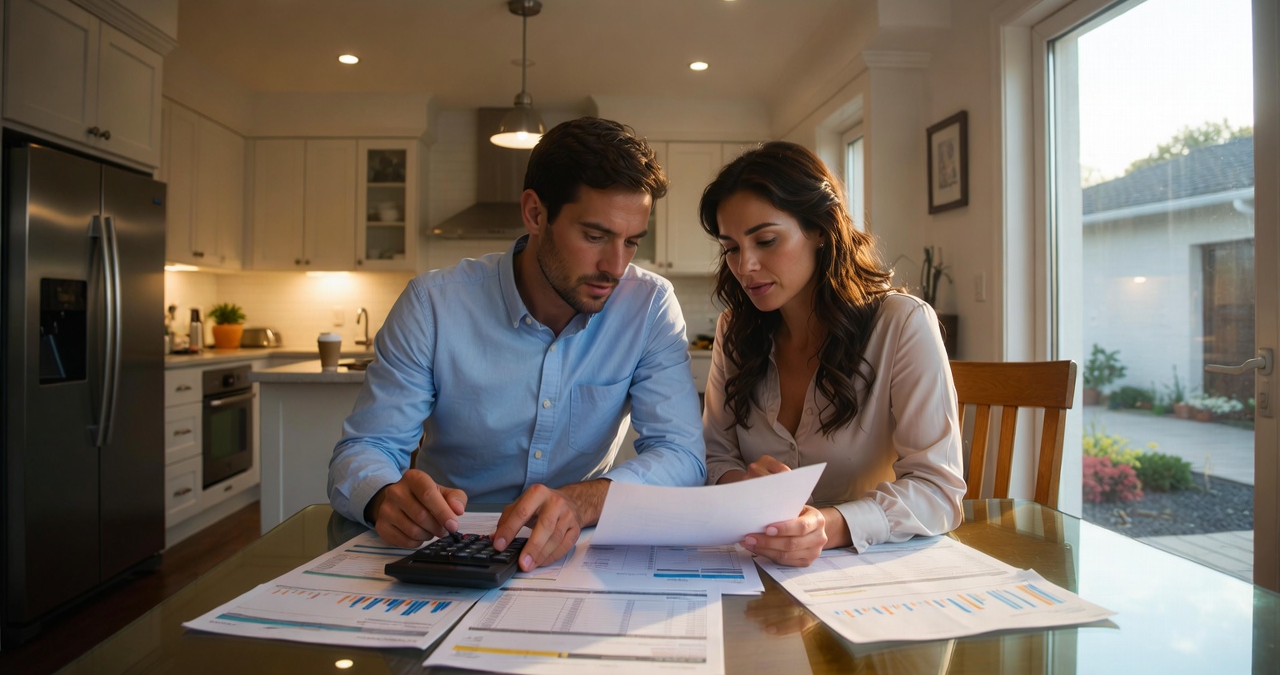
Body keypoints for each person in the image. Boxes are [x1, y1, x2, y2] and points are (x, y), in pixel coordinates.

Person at [329, 117, 706, 572]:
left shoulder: (648, 307)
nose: (616, 265)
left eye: (631, 242)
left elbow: (682, 455)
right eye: (594, 236)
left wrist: (584, 502)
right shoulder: (434, 304)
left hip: (574, 554)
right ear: (535, 213)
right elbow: (366, 448)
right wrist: (383, 498)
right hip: (449, 546)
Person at [698, 141, 965, 567]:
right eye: (731, 248)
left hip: (868, 570)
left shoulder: (902, 323)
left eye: (765, 241)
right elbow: (714, 455)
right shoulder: (736, 328)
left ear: (819, 229)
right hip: (755, 562)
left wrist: (830, 525)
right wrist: (741, 483)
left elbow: (938, 490)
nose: (745, 265)